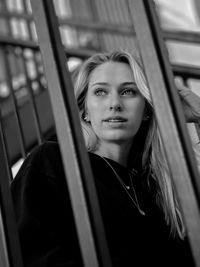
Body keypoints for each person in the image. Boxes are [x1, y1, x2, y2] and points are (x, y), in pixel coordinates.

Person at [11, 49, 199, 267]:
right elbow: (27, 254)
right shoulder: (54, 162)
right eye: (100, 92)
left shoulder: (160, 189)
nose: (115, 104)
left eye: (128, 91)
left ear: (146, 109)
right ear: (85, 111)